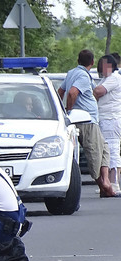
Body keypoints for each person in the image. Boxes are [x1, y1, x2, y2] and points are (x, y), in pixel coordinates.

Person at [58, 49, 118, 197]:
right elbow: (72, 92)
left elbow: (60, 91)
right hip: (86, 119)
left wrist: (62, 109)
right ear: (92, 62)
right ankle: (104, 185)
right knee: (94, 153)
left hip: (90, 119)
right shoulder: (83, 76)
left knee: (104, 149)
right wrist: (69, 110)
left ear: (78, 60)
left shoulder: (72, 73)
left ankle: (106, 182)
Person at [94, 54, 121, 193]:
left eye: (105, 66)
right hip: (105, 118)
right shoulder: (107, 78)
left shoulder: (114, 78)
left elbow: (98, 91)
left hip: (111, 118)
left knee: (112, 149)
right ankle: (108, 181)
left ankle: (114, 182)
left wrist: (89, 94)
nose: (102, 69)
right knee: (106, 150)